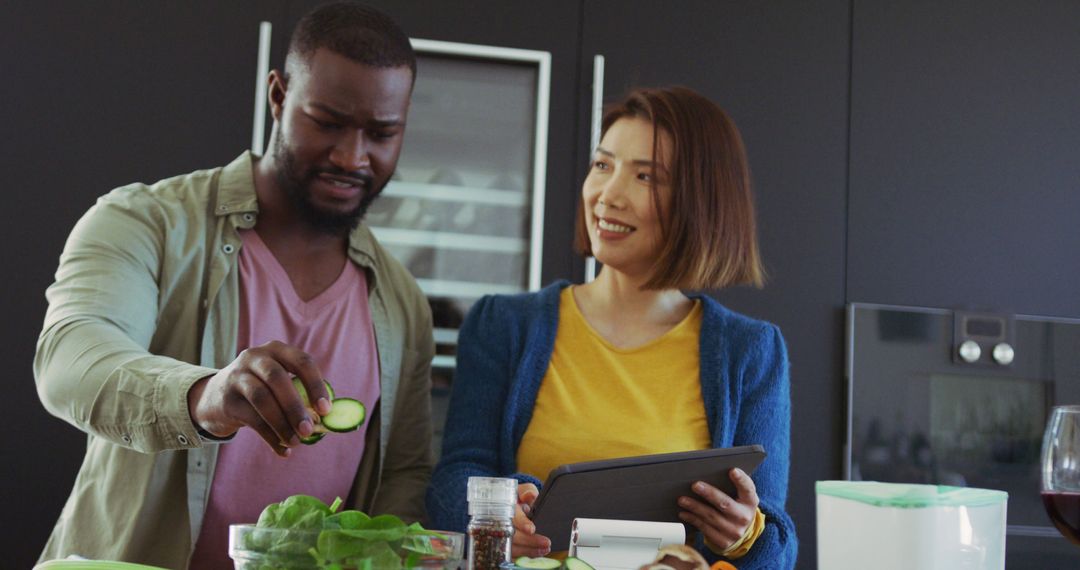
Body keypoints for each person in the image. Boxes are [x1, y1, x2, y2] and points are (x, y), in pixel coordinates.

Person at [33, 3, 434, 568]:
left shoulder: (402, 302)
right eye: (328, 122)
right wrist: (203, 397)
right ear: (278, 96)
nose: (352, 156)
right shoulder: (145, 220)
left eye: (381, 133)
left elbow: (403, 473)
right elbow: (69, 359)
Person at [427, 86, 797, 569]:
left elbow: (778, 543)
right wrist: (502, 511)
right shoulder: (503, 325)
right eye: (603, 166)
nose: (608, 194)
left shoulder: (752, 352)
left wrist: (744, 535)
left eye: (646, 176)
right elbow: (455, 478)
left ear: (701, 200)